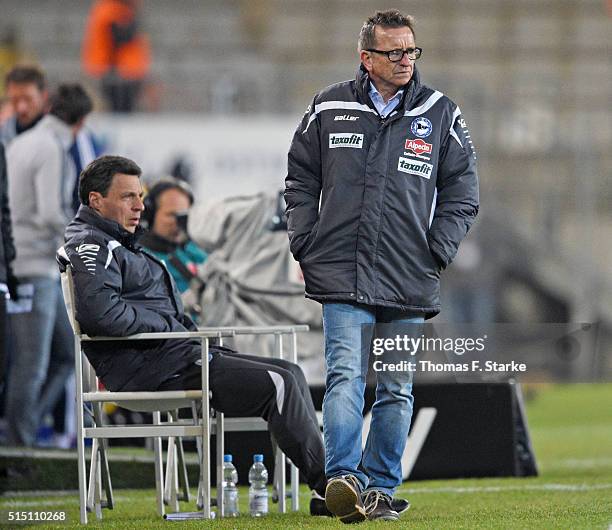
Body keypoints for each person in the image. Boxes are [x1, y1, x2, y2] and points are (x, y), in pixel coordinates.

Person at [285, 9, 479, 523]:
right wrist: (305, 239)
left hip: (408, 273)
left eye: (411, 51)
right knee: (345, 374)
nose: (404, 61)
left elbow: (462, 190)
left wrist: (437, 249)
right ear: (366, 58)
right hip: (341, 270)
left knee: (395, 385)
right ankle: (344, 480)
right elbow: (300, 179)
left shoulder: (441, 111)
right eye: (393, 52)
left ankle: (379, 487)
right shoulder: (327, 106)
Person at [57, 155, 330, 516]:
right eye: (128, 197)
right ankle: (330, 488)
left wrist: (176, 329)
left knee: (289, 372)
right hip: (151, 369)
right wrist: (167, 326)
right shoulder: (91, 245)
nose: (140, 206)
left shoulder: (118, 242)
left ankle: (331, 485)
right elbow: (98, 314)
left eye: (140, 196)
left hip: (174, 356)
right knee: (277, 383)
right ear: (96, 200)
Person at [4, 84, 93, 447]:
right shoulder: (53, 147)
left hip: (21, 260)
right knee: (33, 363)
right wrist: (80, 236)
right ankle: (20, 445)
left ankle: (21, 433)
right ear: (80, 122)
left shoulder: (21, 142)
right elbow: (47, 212)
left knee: (62, 354)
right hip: (35, 264)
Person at [139, 178, 207, 319]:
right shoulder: (135, 258)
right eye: (171, 215)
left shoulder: (195, 252)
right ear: (150, 215)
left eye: (184, 215)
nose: (179, 222)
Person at [81, 0, 151, 112]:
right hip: (120, 73)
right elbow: (120, 38)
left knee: (121, 112)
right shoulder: (113, 10)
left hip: (121, 71)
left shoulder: (111, 8)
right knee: (121, 112)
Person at [0, 65, 47, 146]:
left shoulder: (58, 137)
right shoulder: (3, 134)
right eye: (14, 100)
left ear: (43, 96)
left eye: (28, 99)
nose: (21, 108)